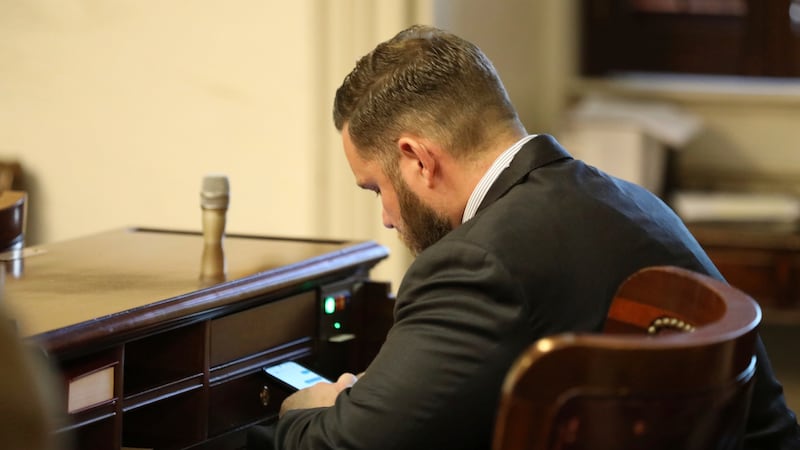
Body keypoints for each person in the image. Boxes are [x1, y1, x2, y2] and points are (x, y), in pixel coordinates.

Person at [259, 25, 800, 449]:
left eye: (376, 188)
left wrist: (308, 409)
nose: (386, 217)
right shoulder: (634, 202)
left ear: (417, 158)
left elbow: (350, 445)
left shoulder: (479, 263)